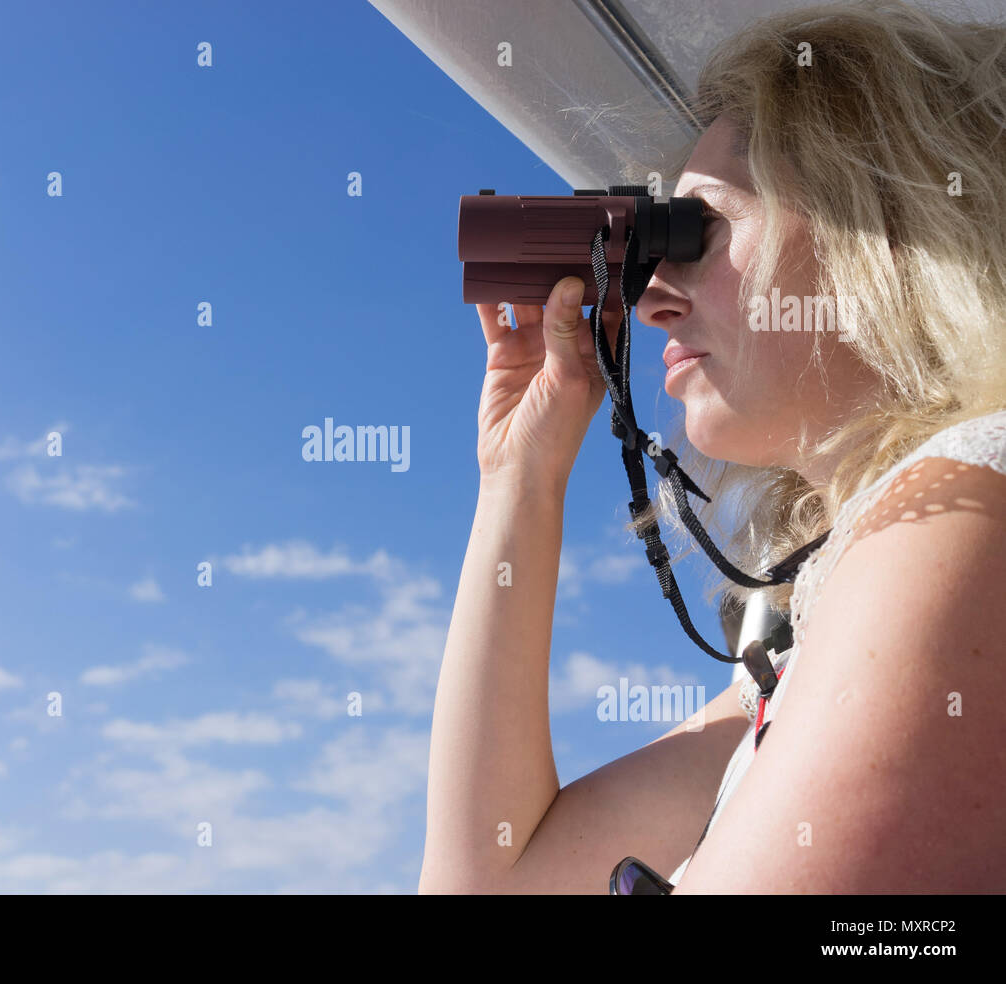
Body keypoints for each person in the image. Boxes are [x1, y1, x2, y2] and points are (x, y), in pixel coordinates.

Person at [419, 0, 1006, 894]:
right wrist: (520, 477)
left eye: (702, 233)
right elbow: (494, 880)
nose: (652, 301)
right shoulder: (818, 620)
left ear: (879, 228)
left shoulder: (957, 506)